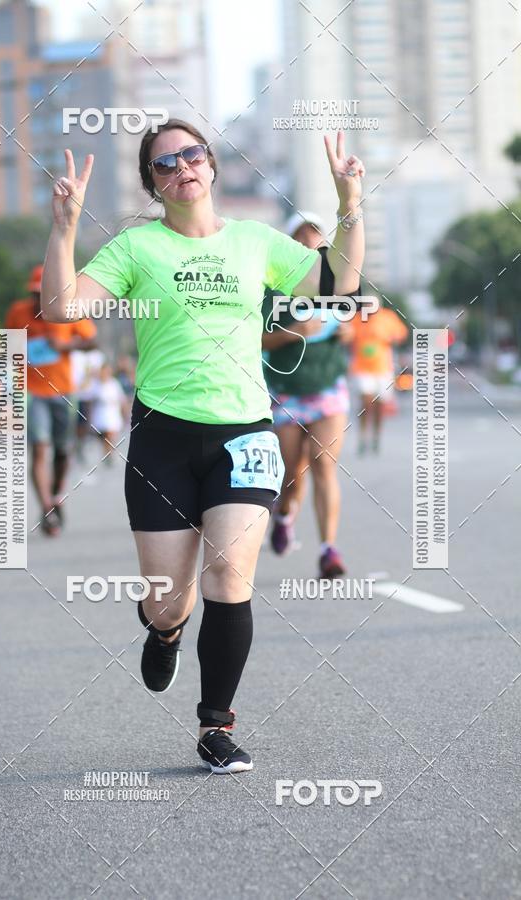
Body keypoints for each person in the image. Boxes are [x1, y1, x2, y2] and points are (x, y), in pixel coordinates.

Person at [41, 121, 364, 773]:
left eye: (193, 154)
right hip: (162, 440)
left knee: (229, 577)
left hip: (244, 430)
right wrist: (66, 223)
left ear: (212, 167)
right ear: (153, 183)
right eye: (165, 163)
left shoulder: (254, 241)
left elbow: (338, 287)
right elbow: (59, 307)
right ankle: (163, 628)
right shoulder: (137, 248)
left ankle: (215, 726)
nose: (182, 166)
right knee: (169, 597)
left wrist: (349, 204)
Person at [262, 212, 356, 578]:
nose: (308, 239)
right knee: (290, 473)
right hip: (288, 390)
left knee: (322, 464)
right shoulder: (273, 285)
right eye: (300, 234)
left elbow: (356, 321)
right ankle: (285, 515)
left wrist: (349, 332)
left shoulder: (337, 279)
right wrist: (291, 333)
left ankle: (328, 550)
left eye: (314, 233)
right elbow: (254, 338)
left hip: (328, 387)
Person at [5, 264, 98, 536]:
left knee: (63, 451)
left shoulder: (67, 313)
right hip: (31, 392)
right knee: (40, 447)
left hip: (63, 392)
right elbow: (7, 347)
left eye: (44, 294)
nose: (39, 300)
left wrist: (65, 346)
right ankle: (46, 508)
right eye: (35, 294)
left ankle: (56, 493)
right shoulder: (18, 312)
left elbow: (93, 341)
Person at [349, 296, 408, 454]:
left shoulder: (387, 317)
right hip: (361, 368)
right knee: (366, 402)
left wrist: (389, 337)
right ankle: (363, 437)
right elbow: (348, 336)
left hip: (383, 369)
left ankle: (376, 437)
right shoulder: (357, 318)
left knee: (380, 406)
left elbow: (401, 334)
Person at [90, 360, 131, 460]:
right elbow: (90, 400)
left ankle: (109, 454)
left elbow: (122, 399)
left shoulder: (114, 384)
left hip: (112, 414)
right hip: (99, 414)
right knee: (102, 436)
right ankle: (107, 451)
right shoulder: (96, 384)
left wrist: (125, 414)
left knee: (110, 434)